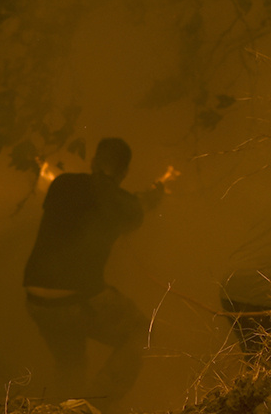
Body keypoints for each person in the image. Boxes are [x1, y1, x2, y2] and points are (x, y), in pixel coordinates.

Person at [22, 138, 166, 406]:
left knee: (71, 362)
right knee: (142, 331)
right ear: (124, 172)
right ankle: (93, 406)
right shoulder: (124, 203)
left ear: (93, 162)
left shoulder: (61, 184)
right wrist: (152, 198)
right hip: (78, 298)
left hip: (37, 298)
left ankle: (66, 408)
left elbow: (92, 200)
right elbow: (130, 209)